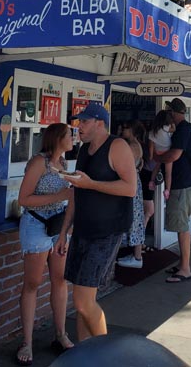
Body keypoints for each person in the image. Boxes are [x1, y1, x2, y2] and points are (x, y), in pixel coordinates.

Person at [56, 103, 137, 342]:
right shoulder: (84, 150)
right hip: (82, 230)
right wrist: (64, 232)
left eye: (84, 122)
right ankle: (85, 353)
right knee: (82, 303)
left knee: (82, 302)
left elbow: (130, 188)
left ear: (99, 123)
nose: (78, 127)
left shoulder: (117, 146)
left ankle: (107, 355)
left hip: (107, 231)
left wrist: (91, 184)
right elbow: (75, 193)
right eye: (79, 122)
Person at [16, 123, 75, 365]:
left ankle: (60, 334)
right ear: (57, 138)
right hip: (36, 225)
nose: (74, 138)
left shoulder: (63, 164)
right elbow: (23, 199)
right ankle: (27, 342)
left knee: (59, 280)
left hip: (57, 227)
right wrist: (59, 196)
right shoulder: (38, 162)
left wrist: (65, 231)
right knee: (32, 282)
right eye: (70, 135)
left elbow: (67, 201)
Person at [154, 98, 191, 283]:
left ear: (174, 112)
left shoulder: (183, 130)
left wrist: (156, 158)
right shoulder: (187, 129)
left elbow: (174, 155)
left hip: (182, 183)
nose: (168, 114)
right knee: (182, 225)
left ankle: (185, 268)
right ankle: (182, 264)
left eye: (169, 111)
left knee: (182, 226)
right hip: (185, 182)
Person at [117, 120, 146, 269]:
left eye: (126, 127)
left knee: (134, 219)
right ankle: (136, 254)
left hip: (129, 183)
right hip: (134, 182)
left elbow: (119, 163)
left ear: (133, 131)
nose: (122, 129)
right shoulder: (136, 145)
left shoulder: (131, 146)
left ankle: (137, 256)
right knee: (135, 218)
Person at [148, 110, 175, 201]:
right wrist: (172, 123)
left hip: (158, 152)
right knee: (168, 173)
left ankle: (151, 182)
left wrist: (151, 156)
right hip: (167, 152)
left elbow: (151, 145)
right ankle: (167, 190)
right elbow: (174, 129)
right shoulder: (165, 127)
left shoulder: (153, 131)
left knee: (156, 167)